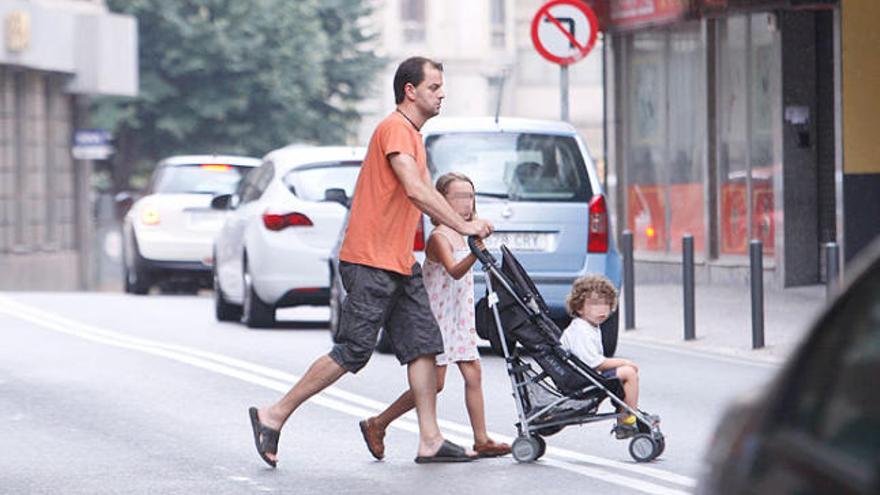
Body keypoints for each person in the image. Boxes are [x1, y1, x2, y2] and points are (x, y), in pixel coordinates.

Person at [247, 56, 494, 467]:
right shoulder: (395, 129)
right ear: (410, 91)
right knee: (353, 351)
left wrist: (458, 224)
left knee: (425, 349)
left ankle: (429, 440)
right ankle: (274, 415)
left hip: (400, 261)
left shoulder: (414, 135)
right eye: (434, 88)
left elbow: (422, 197)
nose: (442, 94)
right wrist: (464, 228)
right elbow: (415, 189)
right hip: (369, 260)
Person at [358, 173, 511, 460]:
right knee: (434, 383)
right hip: (437, 315)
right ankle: (378, 423)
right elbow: (454, 270)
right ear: (442, 201)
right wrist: (476, 253)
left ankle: (481, 439)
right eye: (459, 197)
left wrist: (475, 245)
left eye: (470, 196)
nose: (467, 203)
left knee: (473, 372)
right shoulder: (439, 236)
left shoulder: (465, 234)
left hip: (459, 316)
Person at [560, 275, 648, 439]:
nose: (602, 309)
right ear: (579, 308)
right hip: (580, 379)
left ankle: (627, 412)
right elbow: (593, 362)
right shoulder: (581, 330)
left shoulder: (591, 326)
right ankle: (628, 419)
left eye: (606, 304)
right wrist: (624, 361)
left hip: (587, 375)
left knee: (628, 372)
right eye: (594, 304)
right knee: (628, 372)